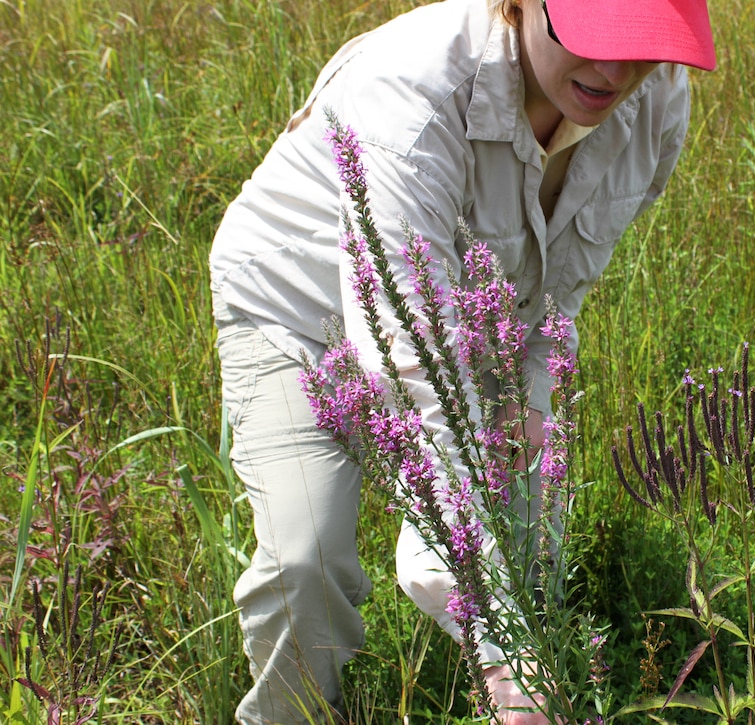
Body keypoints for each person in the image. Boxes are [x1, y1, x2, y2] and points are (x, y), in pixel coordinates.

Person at [208, 0, 715, 722]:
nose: (612, 70)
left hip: (472, 329)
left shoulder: (657, 99)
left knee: (527, 543)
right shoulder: (411, 93)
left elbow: (561, 285)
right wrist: (500, 651)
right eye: (591, 37)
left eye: (639, 45)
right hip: (299, 310)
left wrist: (530, 394)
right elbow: (413, 364)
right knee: (306, 562)